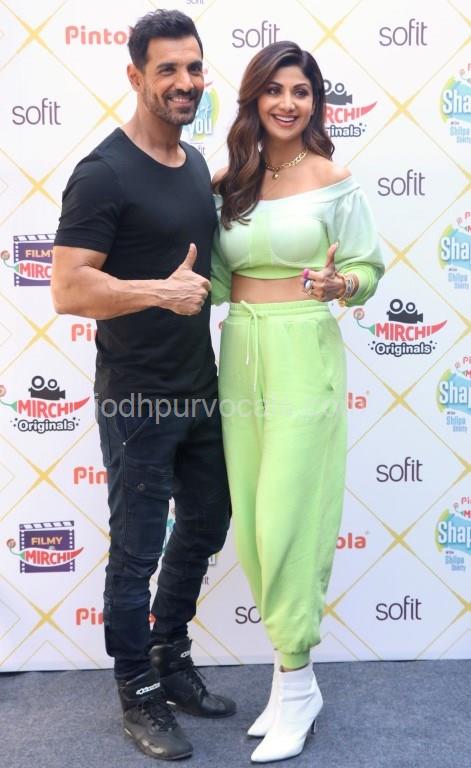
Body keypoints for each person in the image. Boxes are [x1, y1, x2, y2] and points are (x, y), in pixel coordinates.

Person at [51, 9, 234, 762]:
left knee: (208, 522)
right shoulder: (103, 172)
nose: (185, 82)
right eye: (168, 70)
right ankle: (137, 691)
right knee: (135, 551)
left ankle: (169, 653)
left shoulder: (192, 162)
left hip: (200, 388)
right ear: (135, 76)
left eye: (193, 68)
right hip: (136, 399)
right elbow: (68, 287)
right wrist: (159, 292)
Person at [211, 41, 384, 763]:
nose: (288, 102)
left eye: (302, 91)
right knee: (253, 526)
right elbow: (216, 281)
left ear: (315, 103)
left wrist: (344, 285)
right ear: (254, 99)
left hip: (303, 353)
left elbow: (368, 265)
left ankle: (299, 679)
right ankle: (288, 683)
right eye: (275, 89)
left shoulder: (332, 180)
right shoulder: (230, 184)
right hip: (239, 353)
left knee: (289, 519)